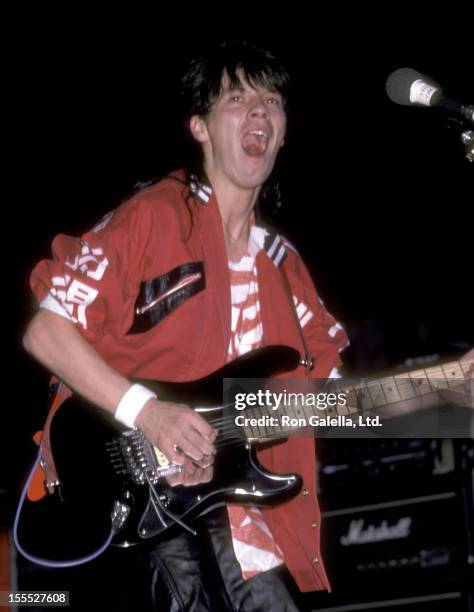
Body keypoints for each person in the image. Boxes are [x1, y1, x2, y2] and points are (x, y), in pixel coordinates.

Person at [22, 41, 348, 611]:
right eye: (238, 98)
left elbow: (334, 399)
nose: (259, 112)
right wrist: (146, 411)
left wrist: (442, 391)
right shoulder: (152, 216)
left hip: (241, 513)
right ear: (199, 126)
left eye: (272, 100)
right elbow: (46, 332)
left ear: (284, 130)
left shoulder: (285, 266)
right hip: (134, 488)